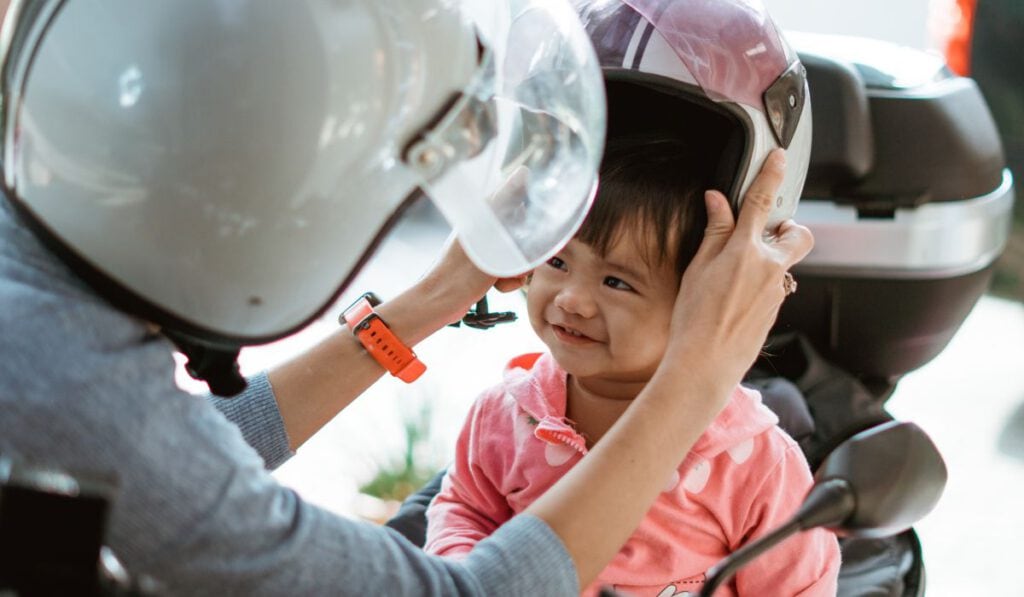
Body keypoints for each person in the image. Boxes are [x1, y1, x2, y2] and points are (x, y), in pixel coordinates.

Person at [0, 1, 813, 596]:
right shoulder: (72, 394)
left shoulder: (41, 317)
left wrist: (434, 296)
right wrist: (697, 376)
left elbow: (192, 449)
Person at [424, 134, 841, 596]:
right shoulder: (505, 414)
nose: (571, 300)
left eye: (616, 282)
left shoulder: (752, 462)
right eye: (558, 260)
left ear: (707, 300)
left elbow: (799, 586)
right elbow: (465, 510)